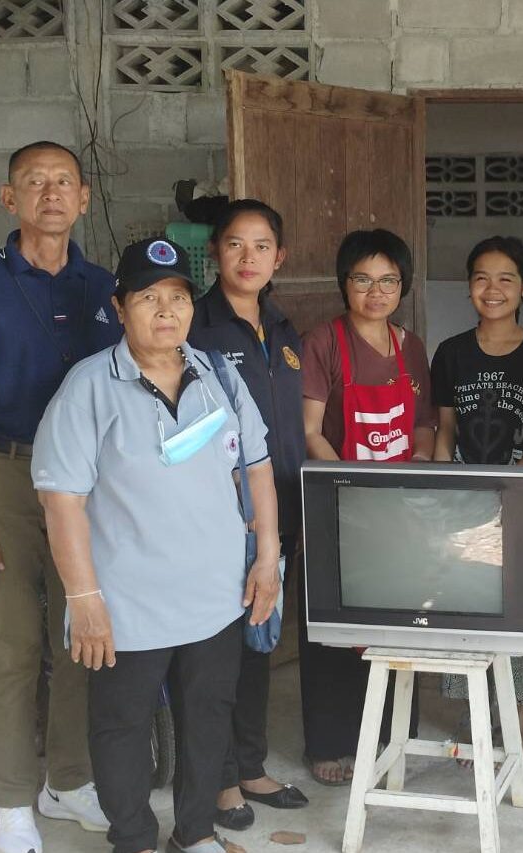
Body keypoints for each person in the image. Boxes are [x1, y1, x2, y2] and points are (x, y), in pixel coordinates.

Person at [32, 237, 282, 853]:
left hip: (216, 596)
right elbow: (61, 501)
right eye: (149, 297)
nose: (167, 310)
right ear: (120, 308)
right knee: (121, 726)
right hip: (127, 603)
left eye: (178, 297)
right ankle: (135, 839)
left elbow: (257, 467)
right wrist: (83, 598)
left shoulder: (218, 374)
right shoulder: (89, 387)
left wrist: (267, 558)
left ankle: (194, 833)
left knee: (208, 717)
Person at [0, 140, 120, 853]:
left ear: (84, 198)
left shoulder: (105, 288)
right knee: (14, 643)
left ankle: (67, 780)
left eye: (63, 181)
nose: (51, 193)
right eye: (34, 182)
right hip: (5, 475)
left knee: (82, 637)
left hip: (88, 483)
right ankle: (11, 801)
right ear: (9, 199)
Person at [185, 199, 310, 830]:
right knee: (217, 658)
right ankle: (221, 781)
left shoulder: (283, 330)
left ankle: (252, 766)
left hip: (276, 515)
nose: (248, 257)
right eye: (235, 244)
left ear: (278, 257)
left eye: (261, 246)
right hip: (223, 520)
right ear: (216, 252)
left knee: (260, 643)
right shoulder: (195, 327)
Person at [298, 228, 437, 785]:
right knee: (336, 628)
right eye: (363, 279)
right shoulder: (323, 343)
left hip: (398, 508)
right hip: (340, 502)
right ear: (344, 283)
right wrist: (350, 488)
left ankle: (391, 737)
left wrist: (416, 470)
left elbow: (424, 424)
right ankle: (330, 743)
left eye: (388, 281)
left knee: (397, 623)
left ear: (402, 286)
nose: (375, 292)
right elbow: (310, 430)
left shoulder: (411, 347)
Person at [430, 236, 523, 754]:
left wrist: (509, 484)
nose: (493, 289)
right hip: (464, 505)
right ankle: (477, 720)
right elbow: (445, 428)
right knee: (468, 612)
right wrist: (446, 485)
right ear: (469, 287)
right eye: (481, 278)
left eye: (506, 278)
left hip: (521, 505)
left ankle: (519, 725)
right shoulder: (451, 353)